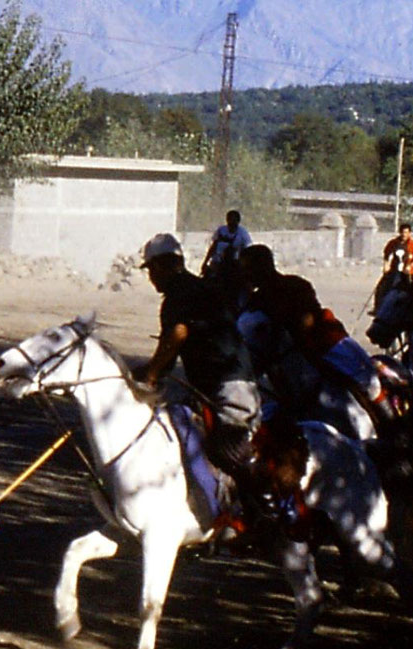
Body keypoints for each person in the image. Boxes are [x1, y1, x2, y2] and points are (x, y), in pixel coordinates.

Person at [137, 232, 262, 532]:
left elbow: (177, 336)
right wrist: (147, 370)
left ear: (166, 266)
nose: (151, 278)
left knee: (219, 447)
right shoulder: (196, 288)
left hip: (229, 385)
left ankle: (240, 516)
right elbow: (170, 348)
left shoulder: (178, 295)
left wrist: (151, 376)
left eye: (152, 270)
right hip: (222, 383)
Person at [237, 242, 389, 416]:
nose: (245, 274)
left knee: (368, 382)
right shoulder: (256, 299)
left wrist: (284, 334)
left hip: (324, 342)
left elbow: (307, 321)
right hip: (283, 356)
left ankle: (392, 426)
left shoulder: (295, 285)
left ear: (264, 266)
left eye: (249, 268)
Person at [200, 209, 251, 303]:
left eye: (234, 220)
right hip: (217, 263)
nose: (231, 222)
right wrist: (205, 262)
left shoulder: (243, 234)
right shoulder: (221, 230)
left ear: (238, 221)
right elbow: (213, 246)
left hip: (234, 264)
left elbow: (246, 251)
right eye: (229, 219)